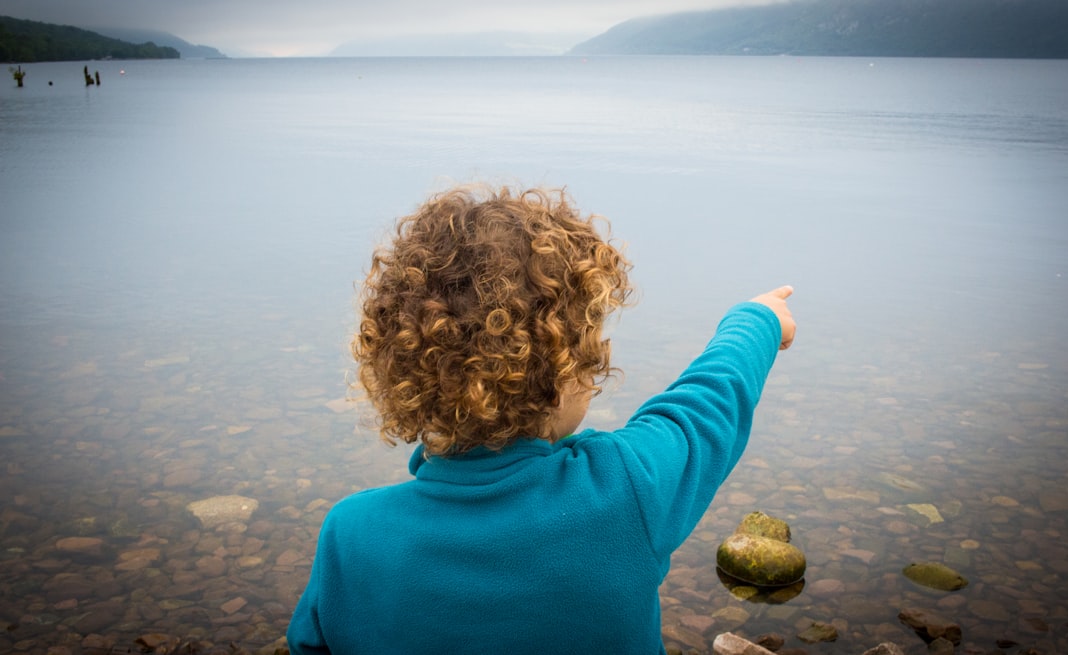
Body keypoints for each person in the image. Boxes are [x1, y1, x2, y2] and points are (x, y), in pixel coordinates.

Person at [286, 184, 796, 654]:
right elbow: (708, 404)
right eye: (589, 343)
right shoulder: (623, 490)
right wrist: (757, 319)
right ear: (559, 371)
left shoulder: (350, 534)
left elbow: (312, 644)